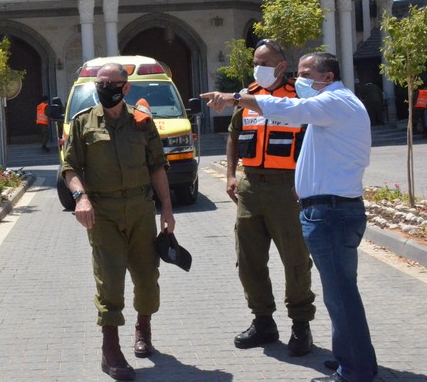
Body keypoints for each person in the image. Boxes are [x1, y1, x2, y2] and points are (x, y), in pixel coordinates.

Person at [202, 52, 377, 382]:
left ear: (326, 76)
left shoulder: (333, 102)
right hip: (327, 209)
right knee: (340, 295)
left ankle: (355, 370)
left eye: (305, 72)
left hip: (333, 212)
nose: (299, 79)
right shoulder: (334, 104)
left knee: (340, 297)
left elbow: (289, 109)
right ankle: (352, 360)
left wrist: (236, 97)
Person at [61, 63, 174, 381]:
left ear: (125, 88)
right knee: (109, 280)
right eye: (100, 83)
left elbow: (157, 166)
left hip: (140, 209)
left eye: (111, 83)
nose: (104, 87)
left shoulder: (142, 122)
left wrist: (167, 209)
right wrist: (80, 197)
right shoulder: (83, 123)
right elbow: (69, 168)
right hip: (103, 212)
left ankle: (143, 327)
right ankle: (110, 349)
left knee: (147, 279)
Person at [226, 39, 315, 357]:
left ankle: (301, 325)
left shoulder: (300, 97)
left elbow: (317, 139)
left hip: (286, 188)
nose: (258, 67)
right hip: (251, 188)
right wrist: (231, 175)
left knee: (295, 259)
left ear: (280, 65)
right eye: (255, 61)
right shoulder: (250, 95)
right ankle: (263, 321)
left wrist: (307, 182)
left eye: (264, 62)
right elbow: (234, 135)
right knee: (249, 260)